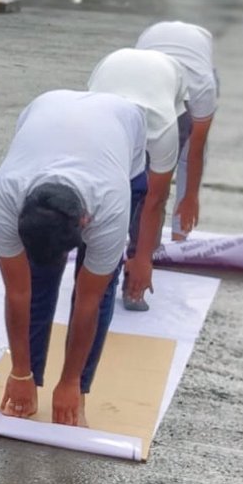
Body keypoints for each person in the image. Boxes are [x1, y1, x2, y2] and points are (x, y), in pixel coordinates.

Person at [0, 90, 147, 427]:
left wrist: (71, 381)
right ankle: (31, 377)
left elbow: (88, 300)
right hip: (43, 107)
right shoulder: (5, 196)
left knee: (98, 288)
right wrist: (19, 372)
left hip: (122, 122)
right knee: (36, 279)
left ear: (85, 223)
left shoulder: (110, 205)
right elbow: (17, 292)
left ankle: (78, 388)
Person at [88, 48, 188, 311]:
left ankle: (134, 276)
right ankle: (99, 268)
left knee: (143, 191)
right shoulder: (92, 124)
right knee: (103, 192)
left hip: (170, 84)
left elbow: (155, 199)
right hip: (111, 66)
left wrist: (143, 257)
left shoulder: (163, 131)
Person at [135, 21, 218, 242]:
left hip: (197, 46)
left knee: (186, 150)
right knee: (143, 163)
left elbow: (196, 151)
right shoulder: (136, 90)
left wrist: (191, 196)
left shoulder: (202, 89)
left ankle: (179, 240)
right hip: (153, 39)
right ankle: (142, 235)